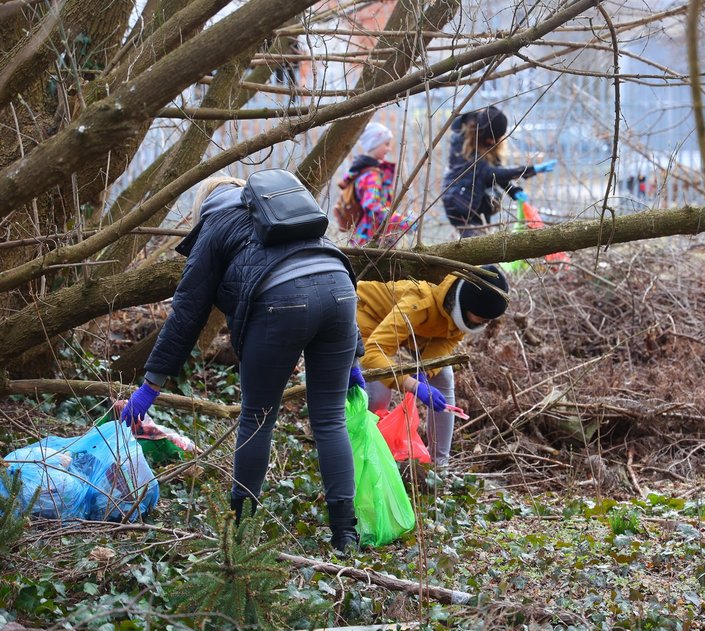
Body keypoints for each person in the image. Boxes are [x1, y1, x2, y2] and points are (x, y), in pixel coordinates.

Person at [120, 175, 363, 552]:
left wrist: (150, 386)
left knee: (257, 419)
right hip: (342, 292)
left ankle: (239, 531)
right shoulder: (290, 211)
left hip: (280, 301)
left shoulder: (214, 223)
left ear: (203, 206)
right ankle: (345, 535)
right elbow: (322, 273)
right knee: (330, 419)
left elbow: (187, 312)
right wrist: (351, 359)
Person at [357, 265, 509, 466]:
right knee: (378, 395)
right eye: (482, 319)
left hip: (416, 329)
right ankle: (363, 454)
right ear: (464, 304)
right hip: (370, 316)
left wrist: (424, 372)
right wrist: (412, 385)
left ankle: (439, 464)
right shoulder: (420, 301)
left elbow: (447, 341)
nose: (486, 323)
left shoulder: (464, 310)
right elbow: (373, 352)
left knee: (443, 377)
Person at [441, 106, 557, 238]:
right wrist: (528, 170)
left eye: (496, 138)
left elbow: (496, 171)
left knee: (483, 240)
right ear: (481, 131)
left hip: (477, 202)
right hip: (459, 201)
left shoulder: (486, 143)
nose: (493, 141)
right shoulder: (461, 141)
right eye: (491, 137)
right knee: (475, 242)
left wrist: (513, 190)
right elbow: (489, 173)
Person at [339, 122, 411, 247]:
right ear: (374, 144)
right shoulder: (372, 175)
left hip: (368, 235)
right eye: (386, 144)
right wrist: (402, 221)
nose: (389, 149)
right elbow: (371, 206)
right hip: (371, 237)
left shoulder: (363, 170)